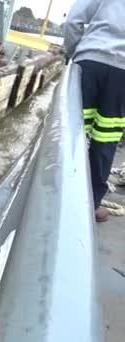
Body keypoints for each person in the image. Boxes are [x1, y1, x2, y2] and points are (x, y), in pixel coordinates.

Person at [64, 0, 125, 222]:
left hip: (89, 63)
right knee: (106, 139)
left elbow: (74, 21)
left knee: (73, 132)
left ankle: (63, 192)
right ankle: (91, 203)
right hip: (122, 74)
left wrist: (75, 53)